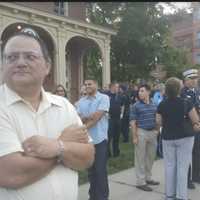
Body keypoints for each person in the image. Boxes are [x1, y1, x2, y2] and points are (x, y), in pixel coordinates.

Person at [0, 28, 95, 200]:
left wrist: (56, 147)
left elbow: (87, 157)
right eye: (11, 57)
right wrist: (63, 147)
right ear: (2, 65)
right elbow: (10, 173)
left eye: (30, 56)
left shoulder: (64, 105)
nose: (20, 62)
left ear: (47, 66)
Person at [156, 77, 200, 200]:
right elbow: (195, 120)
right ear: (179, 89)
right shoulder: (186, 102)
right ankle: (181, 196)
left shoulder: (162, 104)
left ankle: (169, 196)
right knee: (182, 167)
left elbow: (158, 122)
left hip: (168, 137)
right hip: (185, 137)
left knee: (169, 166)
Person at [76, 79, 110, 200]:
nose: (87, 86)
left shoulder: (104, 98)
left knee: (100, 171)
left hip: (100, 140)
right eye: (85, 84)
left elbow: (97, 118)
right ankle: (93, 196)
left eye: (90, 84)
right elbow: (78, 118)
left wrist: (83, 125)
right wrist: (88, 118)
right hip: (87, 142)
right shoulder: (81, 101)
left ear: (97, 85)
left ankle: (102, 197)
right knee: (91, 172)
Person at [130, 84, 159, 192]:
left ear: (148, 92)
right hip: (141, 132)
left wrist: (156, 130)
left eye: (142, 91)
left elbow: (158, 118)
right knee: (140, 158)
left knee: (150, 157)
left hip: (152, 133)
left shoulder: (154, 104)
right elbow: (133, 122)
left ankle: (148, 177)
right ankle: (140, 182)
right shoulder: (136, 106)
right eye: (139, 91)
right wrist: (134, 136)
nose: (139, 93)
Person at [180, 68, 198, 189]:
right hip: (187, 127)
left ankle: (196, 176)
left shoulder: (196, 92)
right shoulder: (182, 93)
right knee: (186, 155)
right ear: (187, 80)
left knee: (197, 153)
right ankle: (186, 180)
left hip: (197, 127)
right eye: (193, 79)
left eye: (196, 78)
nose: (196, 81)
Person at [107, 82, 124, 157]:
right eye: (117, 87)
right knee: (109, 137)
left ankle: (116, 152)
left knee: (117, 136)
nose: (118, 88)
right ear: (112, 87)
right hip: (110, 119)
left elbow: (122, 105)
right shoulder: (107, 96)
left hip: (118, 119)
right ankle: (108, 153)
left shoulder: (119, 96)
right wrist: (106, 114)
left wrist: (121, 114)